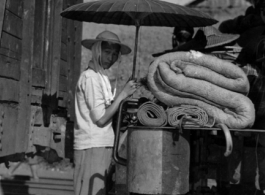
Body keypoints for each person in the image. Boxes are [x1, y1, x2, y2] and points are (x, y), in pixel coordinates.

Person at [73, 30, 137, 195]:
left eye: (115, 54)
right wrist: (123, 94)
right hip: (93, 145)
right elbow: (101, 119)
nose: (111, 57)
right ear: (96, 50)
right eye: (107, 52)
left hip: (101, 144)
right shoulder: (91, 78)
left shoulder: (101, 77)